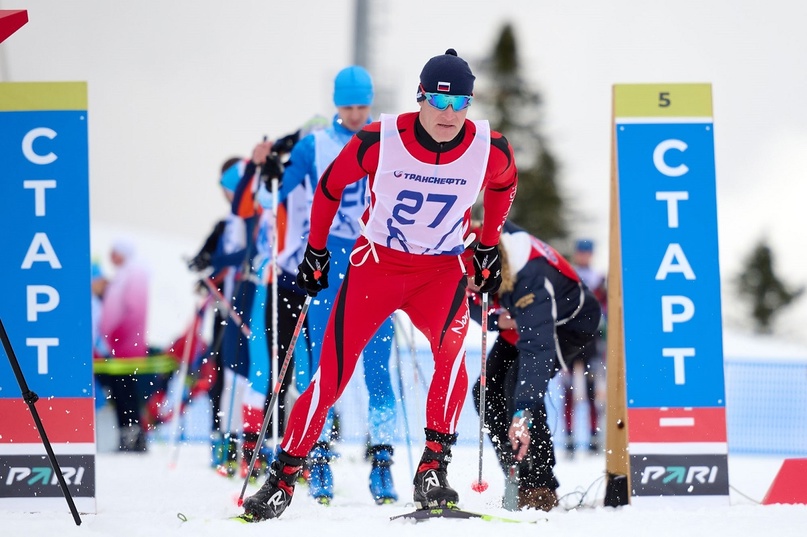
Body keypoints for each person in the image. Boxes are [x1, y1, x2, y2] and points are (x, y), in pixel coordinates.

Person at [241, 48, 518, 521]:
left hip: (440, 272)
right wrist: (316, 250)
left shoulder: (489, 146)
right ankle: (284, 476)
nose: (449, 114)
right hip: (377, 267)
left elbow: (504, 186)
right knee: (332, 374)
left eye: (460, 104)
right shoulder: (380, 138)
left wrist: (488, 242)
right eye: (439, 101)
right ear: (420, 98)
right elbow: (330, 187)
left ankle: (433, 468)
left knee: (450, 358)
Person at [249, 65, 398, 505]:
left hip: (374, 261)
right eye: (348, 106)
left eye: (361, 106)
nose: (355, 115)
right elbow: (270, 197)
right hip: (328, 262)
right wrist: (269, 170)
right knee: (320, 369)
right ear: (336, 104)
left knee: (377, 367)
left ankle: (382, 462)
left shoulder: (386, 140)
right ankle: (317, 458)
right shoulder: (315, 144)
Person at [467, 221, 602, 511]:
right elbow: (463, 301)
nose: (469, 289)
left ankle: (539, 484)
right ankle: (516, 477)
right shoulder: (479, 242)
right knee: (485, 392)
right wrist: (494, 319)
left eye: (474, 282)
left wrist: (523, 411)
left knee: (518, 389)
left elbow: (537, 350)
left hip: (567, 323)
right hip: (519, 316)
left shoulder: (529, 278)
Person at [97, 239, 151, 452]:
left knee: (126, 390)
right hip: (117, 348)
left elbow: (134, 310)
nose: (112, 257)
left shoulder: (134, 273)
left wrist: (117, 336)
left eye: (115, 252)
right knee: (120, 391)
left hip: (126, 347)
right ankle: (127, 434)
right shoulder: (122, 275)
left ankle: (133, 436)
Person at [561, 238, 608, 457]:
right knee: (568, 391)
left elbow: (605, 310)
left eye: (587, 253)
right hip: (570, 340)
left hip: (591, 341)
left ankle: (593, 437)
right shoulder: (569, 274)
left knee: (591, 392)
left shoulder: (599, 279)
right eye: (581, 252)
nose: (584, 256)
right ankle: (569, 438)